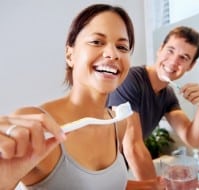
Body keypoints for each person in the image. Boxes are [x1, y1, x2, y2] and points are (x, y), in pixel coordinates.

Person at [0, 4, 166, 190]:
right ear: (70, 55)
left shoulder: (117, 123)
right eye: (97, 42)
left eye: (122, 46)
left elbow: (107, 185)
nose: (112, 54)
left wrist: (153, 186)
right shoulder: (36, 124)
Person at [107, 26, 199, 180]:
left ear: (191, 66)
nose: (174, 61)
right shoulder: (130, 80)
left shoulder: (168, 95)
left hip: (116, 173)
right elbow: (132, 146)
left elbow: (192, 139)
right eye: (170, 50)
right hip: (92, 169)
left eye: (184, 57)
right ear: (160, 49)